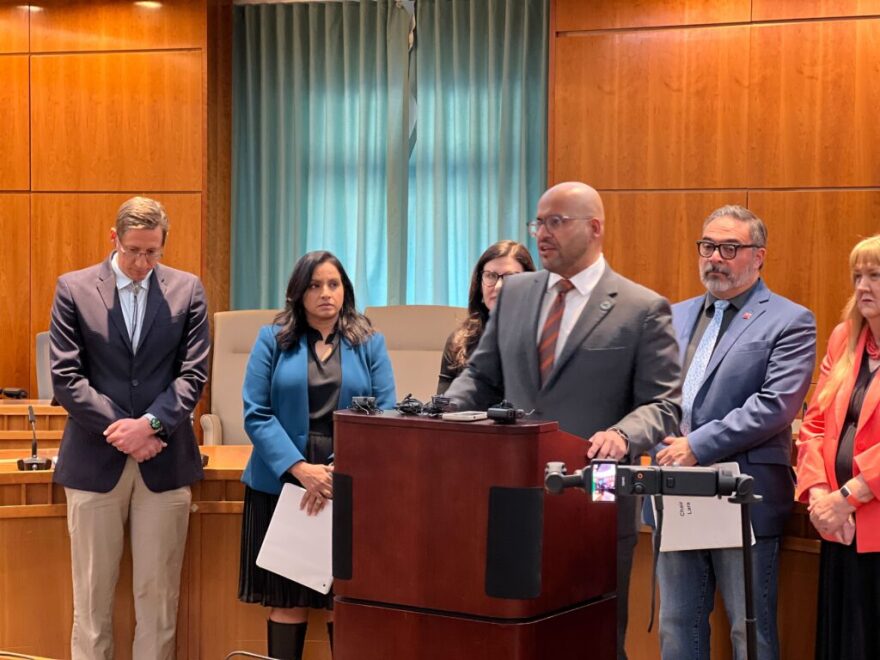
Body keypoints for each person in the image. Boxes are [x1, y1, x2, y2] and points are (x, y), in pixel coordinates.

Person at [444, 181, 681, 660]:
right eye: (538, 222)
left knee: (590, 632)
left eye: (556, 222)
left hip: (599, 486)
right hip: (512, 487)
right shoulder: (514, 294)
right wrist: (439, 415)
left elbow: (663, 403)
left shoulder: (641, 308)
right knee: (511, 629)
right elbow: (481, 377)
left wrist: (622, 433)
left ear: (595, 229)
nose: (542, 235)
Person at [49, 196, 210, 660]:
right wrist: (124, 430)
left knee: (158, 602)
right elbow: (66, 377)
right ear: (113, 238)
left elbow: (193, 374)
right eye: (134, 250)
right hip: (94, 463)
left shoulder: (188, 289)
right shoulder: (74, 288)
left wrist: (152, 425)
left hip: (165, 461)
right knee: (92, 602)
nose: (142, 263)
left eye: (152, 253)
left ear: (164, 245)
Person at [653, 205, 816, 660]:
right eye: (708, 246)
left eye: (729, 248)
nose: (715, 258)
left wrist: (696, 446)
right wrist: (660, 442)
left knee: (750, 629)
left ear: (758, 256)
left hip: (742, 492)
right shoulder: (674, 314)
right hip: (677, 489)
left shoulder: (789, 320)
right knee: (677, 625)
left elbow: (775, 406)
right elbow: (652, 393)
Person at [238, 250, 396, 660]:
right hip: (281, 481)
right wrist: (301, 470)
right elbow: (256, 412)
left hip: (347, 484)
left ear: (345, 290)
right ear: (298, 292)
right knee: (287, 600)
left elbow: (385, 414)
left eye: (334, 284)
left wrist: (337, 473)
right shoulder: (271, 339)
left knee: (340, 601)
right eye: (315, 285)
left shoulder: (369, 342)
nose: (325, 293)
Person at [797, 235, 880, 660]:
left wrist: (847, 498)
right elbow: (813, 424)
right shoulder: (844, 339)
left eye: (875, 276)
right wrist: (818, 497)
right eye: (857, 276)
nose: (863, 286)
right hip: (838, 529)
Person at [436, 240, 535, 394]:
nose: (498, 286)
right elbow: (442, 410)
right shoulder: (459, 341)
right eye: (490, 276)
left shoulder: (542, 337)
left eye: (510, 277)